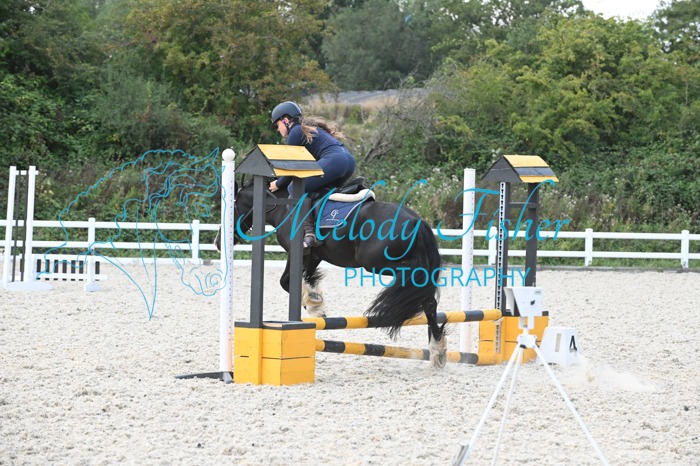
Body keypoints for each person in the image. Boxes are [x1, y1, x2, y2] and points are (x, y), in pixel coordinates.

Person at [269, 101, 356, 252]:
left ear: (285, 120)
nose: (278, 129)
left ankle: (309, 234)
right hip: (348, 163)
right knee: (317, 191)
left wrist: (278, 184)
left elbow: (291, 169)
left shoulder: (295, 132)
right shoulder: (307, 130)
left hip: (334, 161)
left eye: (277, 125)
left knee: (294, 188)